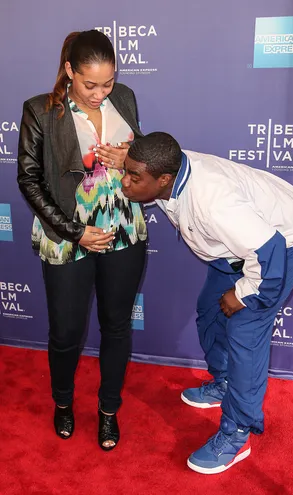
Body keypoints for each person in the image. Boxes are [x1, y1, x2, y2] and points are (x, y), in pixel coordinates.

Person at [120, 132, 293, 474]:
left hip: (281, 244)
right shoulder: (163, 168)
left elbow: (268, 254)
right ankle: (224, 381)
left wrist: (242, 294)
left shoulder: (214, 202)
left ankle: (237, 432)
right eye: (127, 171)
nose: (125, 182)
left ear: (163, 179)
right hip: (237, 246)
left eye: (134, 177)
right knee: (210, 310)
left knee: (245, 333)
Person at [17, 30, 147, 451]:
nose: (100, 92)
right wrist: (76, 232)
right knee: (66, 332)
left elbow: (141, 156)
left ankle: (109, 410)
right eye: (90, 83)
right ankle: (63, 403)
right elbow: (30, 181)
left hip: (124, 230)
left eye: (107, 82)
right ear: (69, 70)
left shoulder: (123, 97)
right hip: (68, 235)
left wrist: (128, 158)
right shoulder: (41, 110)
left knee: (116, 326)